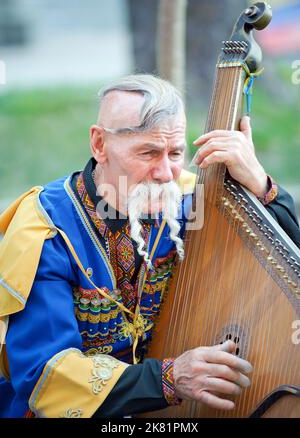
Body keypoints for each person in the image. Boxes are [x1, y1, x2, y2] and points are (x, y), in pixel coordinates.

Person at [0, 74, 299, 418]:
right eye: (148, 152)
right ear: (99, 145)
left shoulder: (191, 199)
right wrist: (168, 379)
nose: (165, 173)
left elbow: (288, 269)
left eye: (175, 153)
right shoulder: (45, 228)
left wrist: (260, 185)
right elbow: (45, 377)